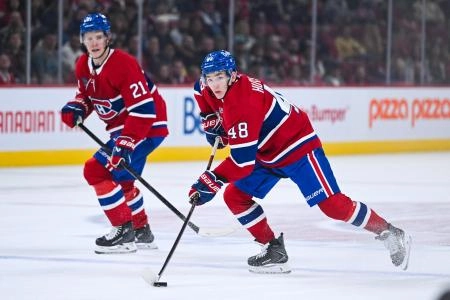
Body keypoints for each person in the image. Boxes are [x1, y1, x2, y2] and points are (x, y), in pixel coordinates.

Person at [188, 50, 412, 273]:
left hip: (297, 146)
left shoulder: (243, 103)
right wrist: (210, 119)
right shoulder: (205, 87)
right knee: (235, 196)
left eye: (220, 77)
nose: (214, 84)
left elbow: (241, 162)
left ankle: (390, 233)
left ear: (233, 75)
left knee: (333, 206)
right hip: (266, 152)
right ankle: (273, 249)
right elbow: (201, 95)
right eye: (210, 78)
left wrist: (212, 179)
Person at [60, 13, 168, 254]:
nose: (95, 42)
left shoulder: (123, 64)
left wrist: (126, 143)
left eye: (99, 37)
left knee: (95, 170)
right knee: (123, 179)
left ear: (107, 38)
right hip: (125, 128)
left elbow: (144, 110)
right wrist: (77, 108)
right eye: (89, 38)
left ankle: (123, 231)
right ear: (82, 40)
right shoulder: (82, 65)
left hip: (147, 127)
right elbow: (86, 97)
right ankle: (141, 231)